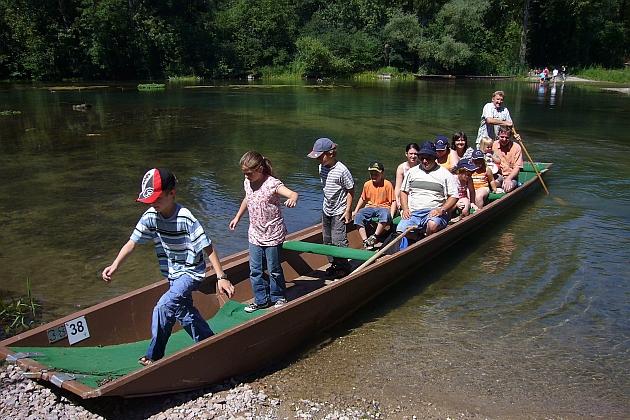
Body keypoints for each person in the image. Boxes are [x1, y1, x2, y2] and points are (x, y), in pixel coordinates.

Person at [102, 168, 235, 366]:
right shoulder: (151, 216)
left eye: (157, 199)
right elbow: (132, 242)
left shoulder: (186, 217)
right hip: (172, 272)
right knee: (183, 311)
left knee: (163, 306)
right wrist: (115, 265)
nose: (153, 204)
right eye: (150, 201)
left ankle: (153, 355)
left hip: (191, 271)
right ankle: (208, 342)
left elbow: (207, 246)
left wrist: (221, 276)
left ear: (172, 193)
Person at [229, 151, 299, 312]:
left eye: (248, 173)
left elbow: (292, 193)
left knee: (273, 268)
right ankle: (261, 300)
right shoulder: (248, 182)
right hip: (255, 233)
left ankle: (278, 296)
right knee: (255, 270)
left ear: (259, 169)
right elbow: (248, 198)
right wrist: (237, 217)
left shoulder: (272, 184)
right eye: (244, 174)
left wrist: (292, 199)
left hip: (273, 234)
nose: (246, 176)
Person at [307, 137, 355, 277]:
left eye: (320, 156)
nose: (318, 160)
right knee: (327, 240)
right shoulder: (321, 167)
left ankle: (343, 267)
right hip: (326, 208)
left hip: (339, 210)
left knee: (338, 239)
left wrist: (348, 210)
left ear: (331, 154)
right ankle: (334, 264)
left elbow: (350, 189)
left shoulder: (342, 170)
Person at [397, 141, 458, 249]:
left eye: (428, 158)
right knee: (401, 229)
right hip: (414, 212)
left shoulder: (445, 174)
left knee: (432, 224)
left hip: (434, 212)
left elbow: (454, 196)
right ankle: (404, 250)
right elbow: (403, 191)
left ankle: (425, 245)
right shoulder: (412, 172)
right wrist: (405, 208)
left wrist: (441, 210)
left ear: (434, 158)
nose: (425, 161)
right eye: (422, 157)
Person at [352, 161, 396, 250]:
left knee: (384, 214)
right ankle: (365, 240)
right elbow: (363, 198)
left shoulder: (387, 184)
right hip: (370, 207)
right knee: (359, 216)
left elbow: (393, 201)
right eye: (372, 173)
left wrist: (391, 214)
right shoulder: (367, 184)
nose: (374, 176)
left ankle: (374, 236)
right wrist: (356, 210)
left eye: (376, 173)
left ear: (382, 173)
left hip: (383, 207)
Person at [492, 126, 523, 193]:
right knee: (492, 184)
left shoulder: (516, 147)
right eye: (502, 137)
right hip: (498, 175)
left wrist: (508, 179)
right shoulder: (493, 145)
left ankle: (515, 184)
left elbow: (517, 168)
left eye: (507, 137)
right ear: (498, 136)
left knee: (507, 188)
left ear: (510, 137)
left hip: (511, 176)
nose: (504, 139)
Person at [395, 143, 420, 209]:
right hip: (405, 194)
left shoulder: (421, 166)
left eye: (415, 154)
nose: (413, 156)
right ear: (406, 154)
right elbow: (398, 187)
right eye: (411, 154)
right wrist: (397, 200)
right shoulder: (401, 168)